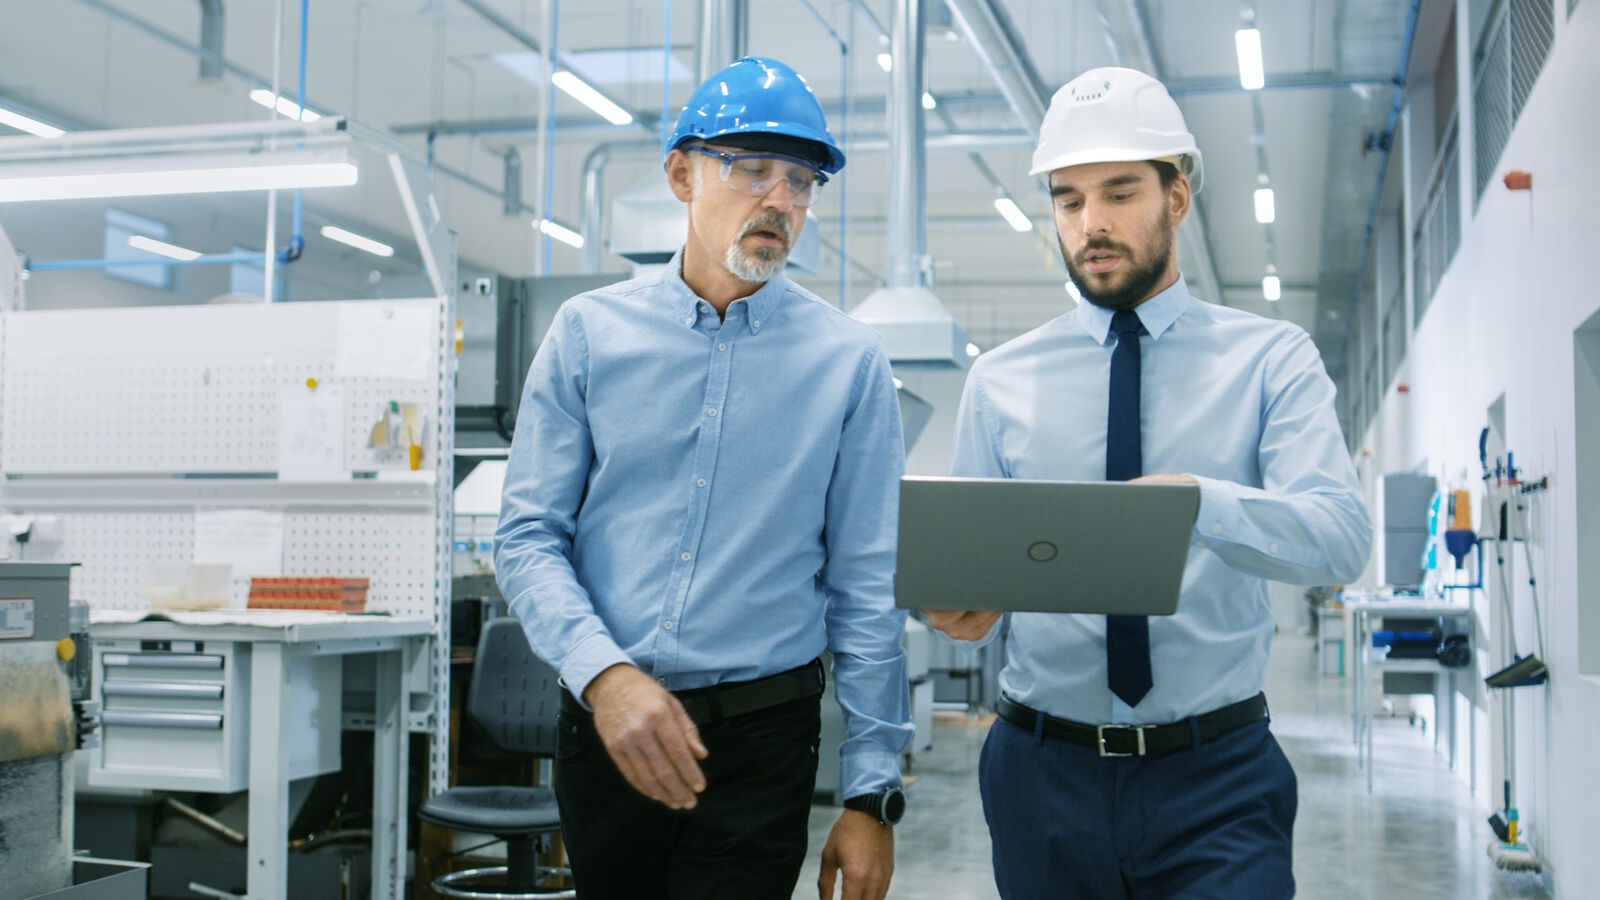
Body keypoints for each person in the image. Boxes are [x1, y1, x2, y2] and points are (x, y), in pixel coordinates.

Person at [925, 67, 1372, 899]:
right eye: (1068, 200)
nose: (1091, 224)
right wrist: (965, 609)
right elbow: (977, 583)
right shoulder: (1001, 382)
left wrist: (1198, 504)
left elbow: (1341, 535)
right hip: (1040, 774)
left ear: (1178, 196)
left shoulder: (1271, 360)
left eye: (1120, 192)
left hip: (1218, 779)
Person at [494, 56, 912, 900]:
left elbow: (867, 587)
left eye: (801, 181)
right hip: (609, 727)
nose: (781, 201)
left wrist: (872, 792)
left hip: (762, 741)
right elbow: (529, 537)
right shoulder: (587, 336)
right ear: (682, 175)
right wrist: (605, 677)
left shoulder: (849, 363)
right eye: (753, 169)